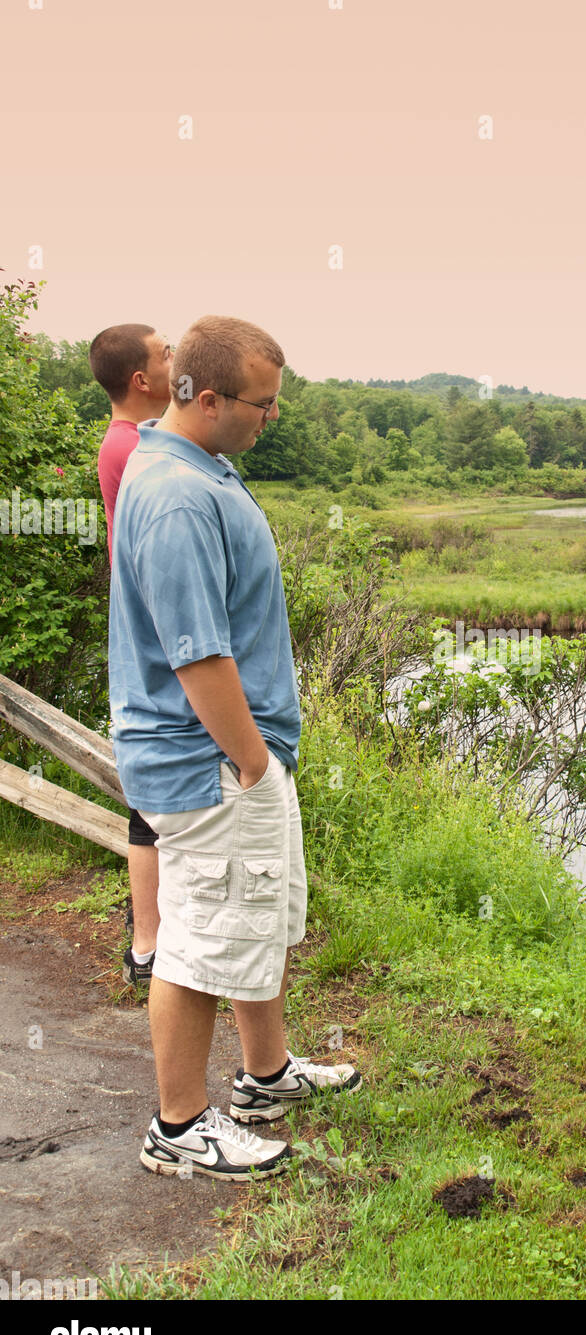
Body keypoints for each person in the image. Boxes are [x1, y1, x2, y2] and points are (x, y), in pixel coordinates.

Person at [108, 315, 362, 1182]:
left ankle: (264, 1076)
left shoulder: (194, 461)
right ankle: (178, 1127)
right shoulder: (177, 495)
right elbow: (198, 654)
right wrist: (251, 764)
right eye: (264, 404)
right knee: (198, 944)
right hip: (211, 764)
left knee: (253, 921)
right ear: (207, 398)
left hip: (233, 760)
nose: (273, 418)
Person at [89, 324, 173, 988]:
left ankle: (154, 935)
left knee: (156, 800)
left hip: (146, 637)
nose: (177, 362)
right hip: (152, 641)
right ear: (140, 380)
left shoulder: (132, 441)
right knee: (148, 804)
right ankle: (147, 943)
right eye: (166, 354)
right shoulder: (128, 447)